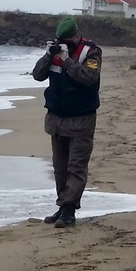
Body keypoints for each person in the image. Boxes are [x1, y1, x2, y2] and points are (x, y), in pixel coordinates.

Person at [31, 17, 102, 228]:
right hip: (57, 118)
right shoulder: (55, 52)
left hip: (81, 118)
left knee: (76, 167)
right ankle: (62, 205)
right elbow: (37, 75)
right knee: (60, 167)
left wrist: (68, 60)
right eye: (60, 40)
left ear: (76, 36)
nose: (64, 44)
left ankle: (70, 210)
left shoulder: (91, 52)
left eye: (67, 41)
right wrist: (48, 56)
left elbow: (89, 77)